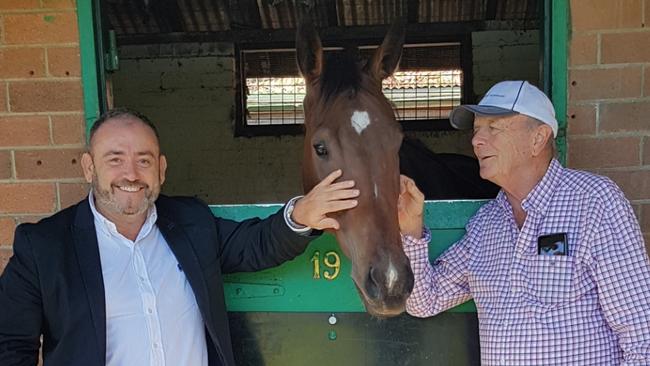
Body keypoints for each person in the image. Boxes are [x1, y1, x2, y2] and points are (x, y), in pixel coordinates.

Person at [0, 108, 360, 366]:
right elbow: (9, 345)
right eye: (115, 159)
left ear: (162, 169)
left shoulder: (191, 222)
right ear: (88, 167)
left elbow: (254, 246)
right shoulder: (43, 247)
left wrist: (300, 215)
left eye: (144, 160)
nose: (131, 173)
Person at [398, 80, 650, 365]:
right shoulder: (485, 226)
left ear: (538, 138)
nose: (476, 140)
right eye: (477, 129)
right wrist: (411, 228)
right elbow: (423, 301)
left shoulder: (593, 203)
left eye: (493, 127)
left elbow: (642, 333)